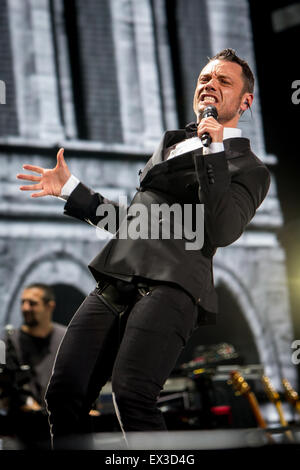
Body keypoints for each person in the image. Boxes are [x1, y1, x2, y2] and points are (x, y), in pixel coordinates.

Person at [16, 49, 270, 448]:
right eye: (205, 78)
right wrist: (71, 191)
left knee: (133, 393)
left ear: (245, 101)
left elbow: (220, 228)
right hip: (118, 279)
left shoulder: (248, 167)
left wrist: (214, 151)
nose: (210, 85)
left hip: (173, 287)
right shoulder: (171, 144)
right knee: (64, 393)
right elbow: (136, 223)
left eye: (224, 81)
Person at [3, 283, 66, 411]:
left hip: (62, 421)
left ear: (50, 306)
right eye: (23, 302)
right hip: (21, 423)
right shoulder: (7, 341)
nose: (25, 308)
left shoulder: (66, 338)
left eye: (32, 303)